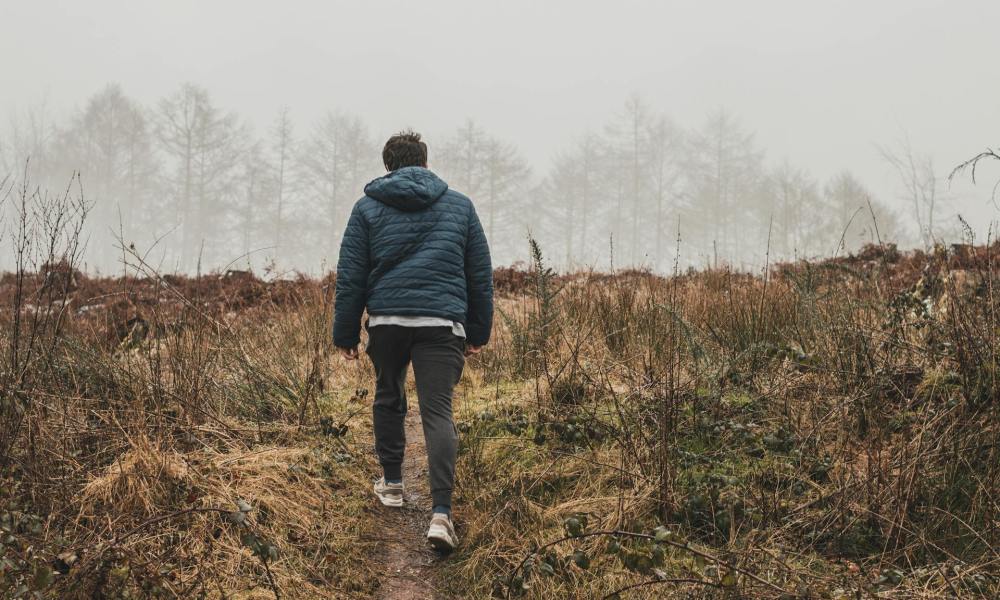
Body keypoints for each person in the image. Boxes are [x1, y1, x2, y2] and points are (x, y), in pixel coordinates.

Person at [332, 131, 494, 551]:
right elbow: (479, 274)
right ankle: (441, 515)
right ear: (425, 163)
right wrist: (478, 331)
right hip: (442, 323)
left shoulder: (366, 208)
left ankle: (392, 484)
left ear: (388, 166)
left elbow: (351, 275)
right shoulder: (460, 206)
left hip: (386, 320)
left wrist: (346, 333)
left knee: (388, 394)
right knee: (438, 411)